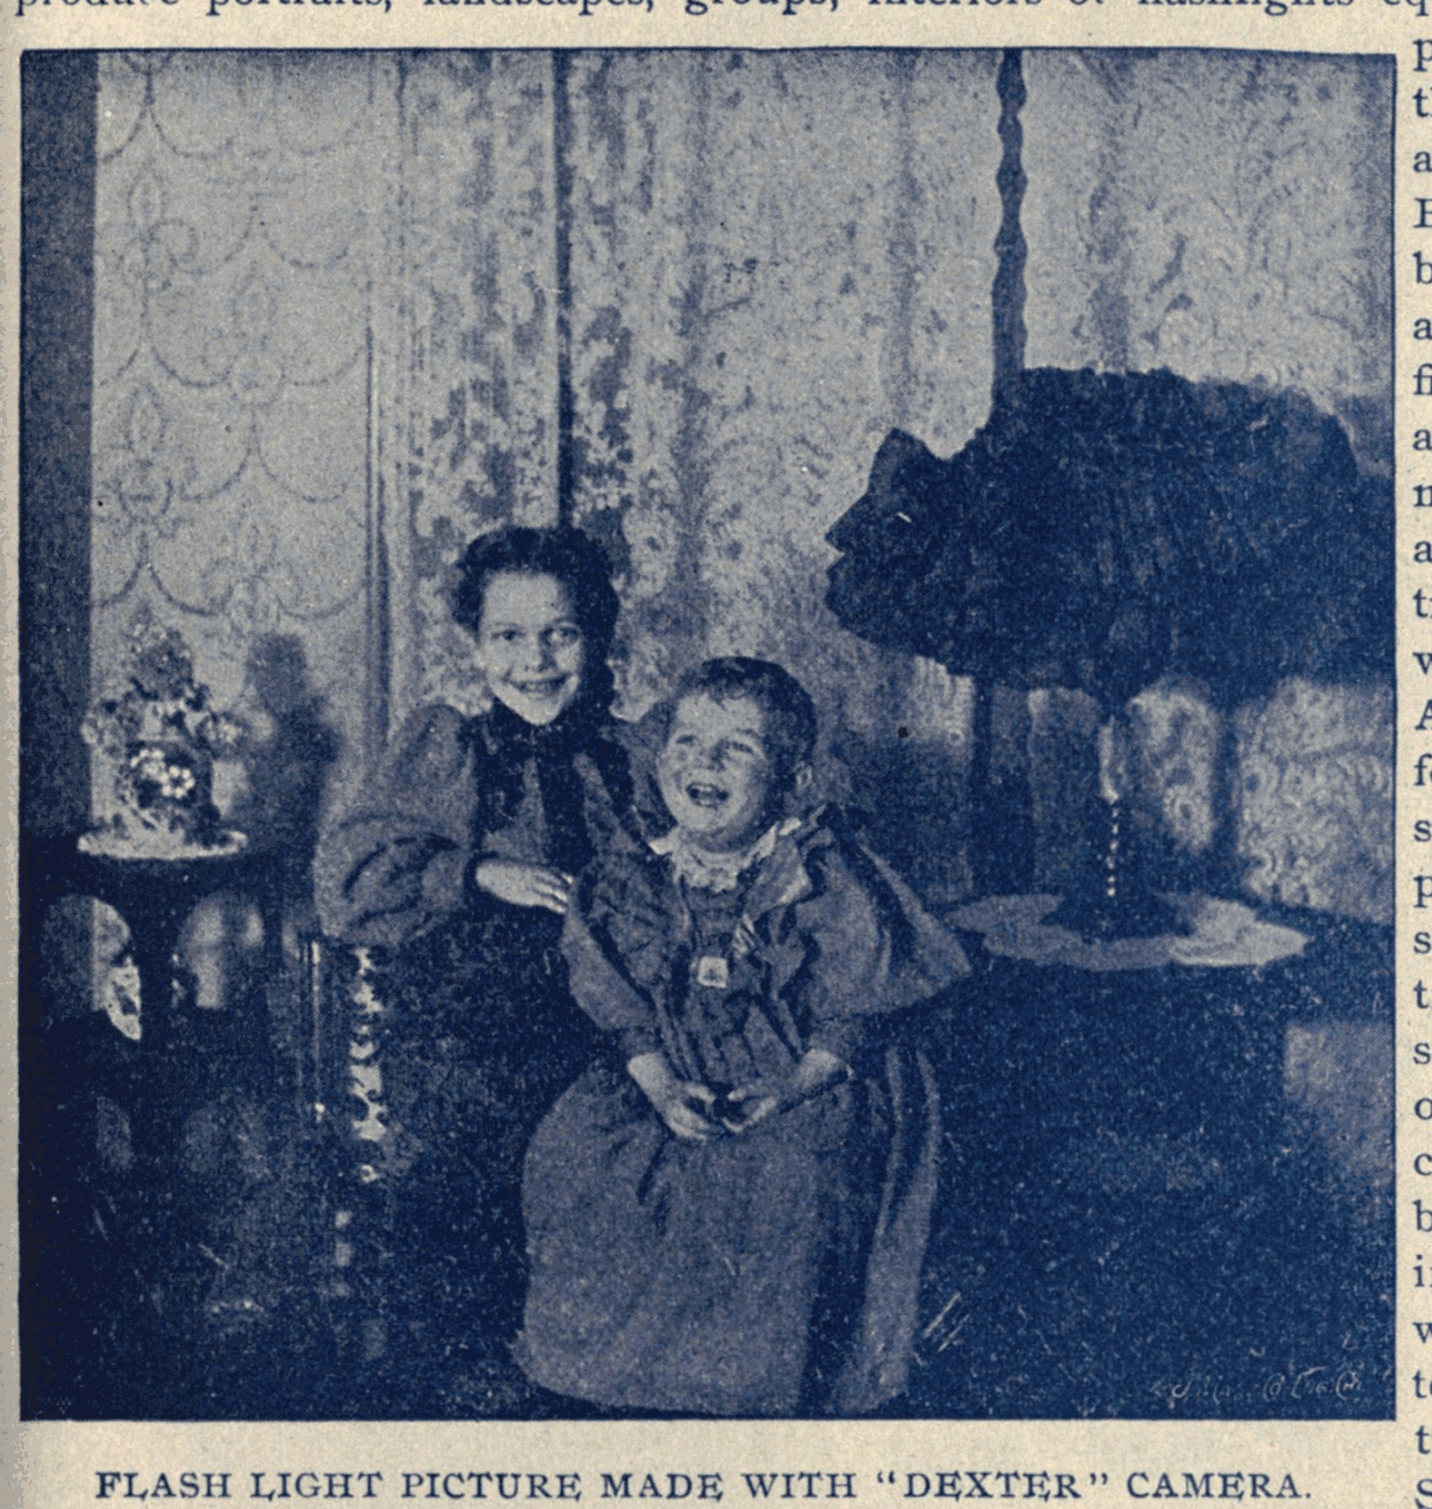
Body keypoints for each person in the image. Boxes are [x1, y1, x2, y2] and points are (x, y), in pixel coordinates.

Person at [517, 657, 970, 1416]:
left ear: (791, 781)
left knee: (785, 1175)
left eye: (738, 748)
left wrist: (787, 1089)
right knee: (579, 1154)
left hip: (807, 1073)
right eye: (689, 742)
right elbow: (621, 1007)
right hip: (669, 1070)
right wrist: (662, 1087)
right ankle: (624, 1381)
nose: (706, 762)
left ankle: (748, 1389)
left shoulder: (816, 872)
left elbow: (852, 1008)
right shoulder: (634, 876)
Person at [314, 525, 645, 1394]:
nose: (535, 661)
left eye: (561, 633)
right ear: (475, 643)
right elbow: (348, 883)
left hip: (614, 1014)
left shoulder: (637, 755)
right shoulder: (450, 750)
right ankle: (478, 1371)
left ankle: (598, 1367)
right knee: (475, 1148)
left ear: (597, 635)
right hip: (478, 1018)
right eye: (509, 635)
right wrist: (473, 872)